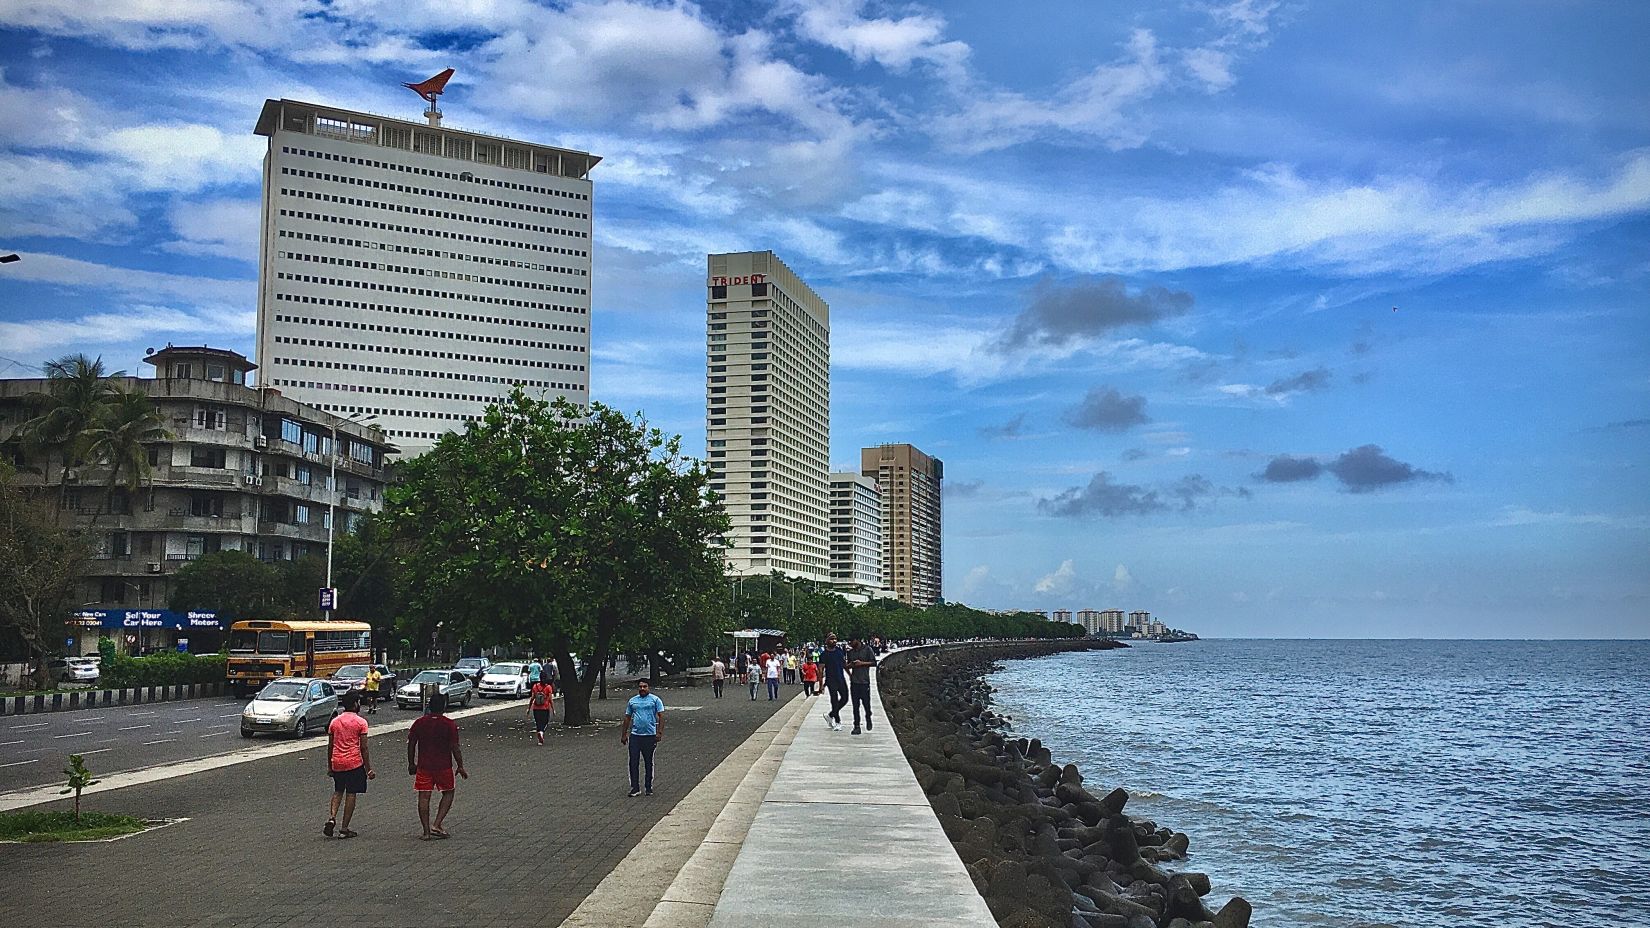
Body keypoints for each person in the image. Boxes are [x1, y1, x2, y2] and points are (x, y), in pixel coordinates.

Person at [407, 693, 467, 840]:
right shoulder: (449, 724)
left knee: (424, 796)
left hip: (424, 765)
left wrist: (411, 763)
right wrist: (460, 765)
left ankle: (426, 832)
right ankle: (437, 823)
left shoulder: (419, 723)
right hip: (443, 766)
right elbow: (455, 747)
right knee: (448, 792)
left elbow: (411, 744)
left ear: (429, 705)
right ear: (444, 706)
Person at [325, 691, 374, 838]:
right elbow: (363, 748)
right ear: (355, 704)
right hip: (353, 762)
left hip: (337, 762)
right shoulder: (361, 723)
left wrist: (330, 765)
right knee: (351, 793)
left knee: (338, 790)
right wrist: (368, 769)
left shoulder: (335, 722)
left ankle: (332, 817)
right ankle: (344, 828)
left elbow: (330, 746)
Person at [622, 679, 665, 797]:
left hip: (649, 736)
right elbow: (627, 718)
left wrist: (659, 733)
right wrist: (624, 734)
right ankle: (635, 787)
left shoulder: (655, 700)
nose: (642, 689)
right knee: (633, 762)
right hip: (635, 736)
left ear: (648, 688)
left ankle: (648, 787)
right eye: (640, 687)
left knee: (648, 762)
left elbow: (661, 716)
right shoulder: (633, 701)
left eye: (644, 686)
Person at [847, 635, 878, 735]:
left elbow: (874, 663)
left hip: (864, 682)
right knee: (855, 706)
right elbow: (847, 665)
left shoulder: (867, 649)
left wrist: (862, 663)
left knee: (866, 704)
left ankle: (868, 716)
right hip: (854, 682)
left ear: (857, 640)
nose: (850, 643)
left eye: (851, 641)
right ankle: (856, 726)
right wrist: (851, 665)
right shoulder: (850, 652)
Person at [820, 633, 849, 731]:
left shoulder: (840, 651)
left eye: (835, 639)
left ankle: (830, 715)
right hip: (831, 680)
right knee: (834, 700)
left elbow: (844, 664)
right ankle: (837, 721)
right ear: (827, 641)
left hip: (840, 678)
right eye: (832, 639)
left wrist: (850, 675)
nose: (834, 641)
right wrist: (821, 685)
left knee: (845, 698)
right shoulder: (823, 655)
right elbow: (821, 670)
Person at [528, 675, 555, 745]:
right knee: (545, 721)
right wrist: (553, 709)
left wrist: (529, 708)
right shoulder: (548, 687)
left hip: (536, 708)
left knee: (538, 722)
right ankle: (541, 732)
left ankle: (540, 738)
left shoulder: (535, 686)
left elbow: (532, 698)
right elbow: (550, 699)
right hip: (545, 708)